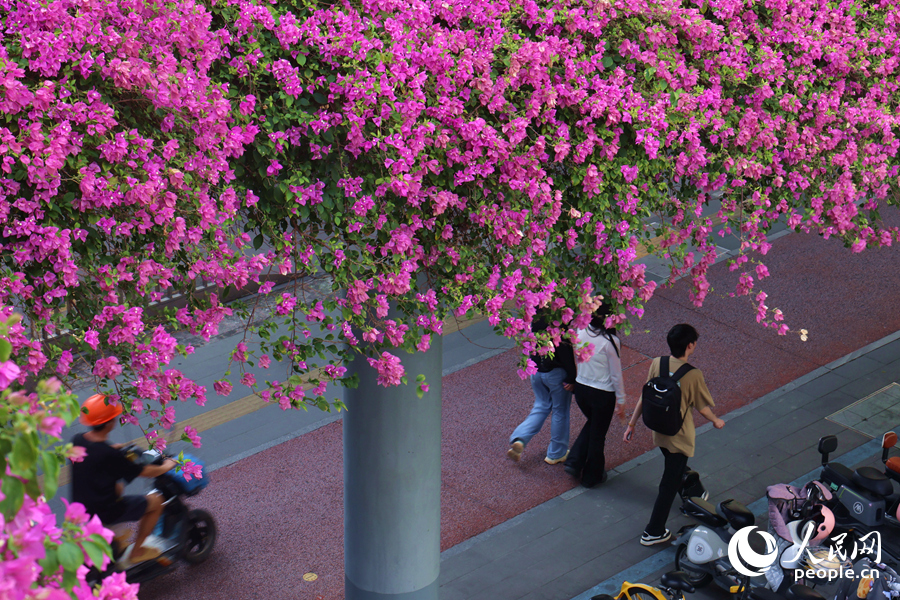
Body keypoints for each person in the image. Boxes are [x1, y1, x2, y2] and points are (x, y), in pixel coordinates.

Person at [623, 323, 725, 546]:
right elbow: (702, 406)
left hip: (659, 432)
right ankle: (653, 531)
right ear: (690, 346)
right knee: (668, 484)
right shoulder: (693, 375)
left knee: (676, 468)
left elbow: (644, 394)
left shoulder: (657, 363)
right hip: (680, 436)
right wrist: (716, 420)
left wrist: (631, 424)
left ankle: (692, 492)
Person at [71, 393, 177, 564]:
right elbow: (145, 471)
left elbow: (96, 451)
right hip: (105, 510)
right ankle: (137, 551)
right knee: (156, 502)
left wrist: (112, 448)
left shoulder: (77, 440)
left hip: (81, 507)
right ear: (110, 423)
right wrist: (166, 466)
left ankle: (118, 540)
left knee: (118, 487)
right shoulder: (110, 455)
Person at [563, 305, 626, 488]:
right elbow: (616, 375)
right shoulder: (611, 341)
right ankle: (592, 475)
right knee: (598, 435)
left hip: (582, 389)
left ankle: (574, 460)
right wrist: (621, 400)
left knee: (594, 424)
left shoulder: (580, 331)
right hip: (602, 393)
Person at [507, 315, 577, 465]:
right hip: (556, 374)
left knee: (541, 405)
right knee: (560, 410)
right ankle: (556, 453)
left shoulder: (533, 318)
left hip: (536, 371)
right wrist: (572, 378)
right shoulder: (557, 323)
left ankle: (520, 438)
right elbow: (565, 353)